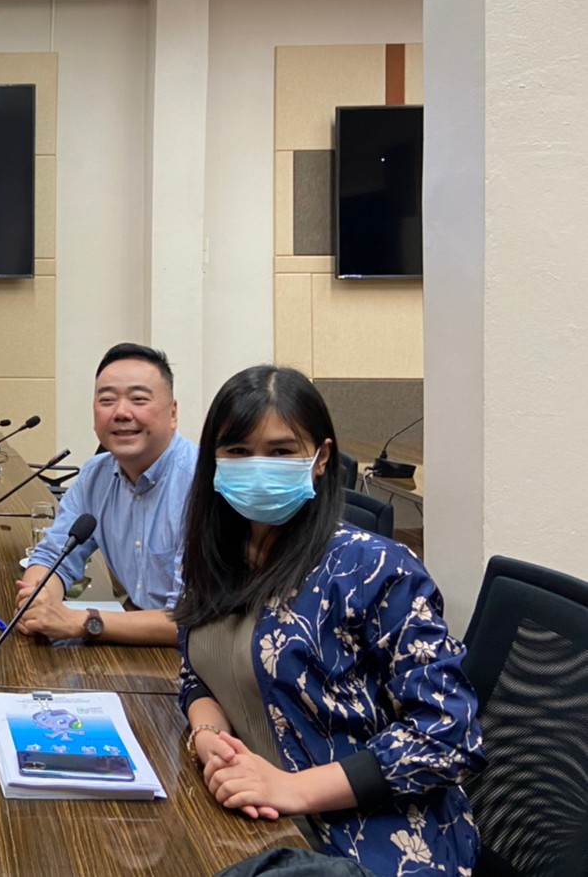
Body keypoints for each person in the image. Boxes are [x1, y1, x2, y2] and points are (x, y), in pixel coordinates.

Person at [175, 365, 484, 875]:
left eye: (280, 451)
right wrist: (208, 736)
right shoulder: (221, 556)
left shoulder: (374, 568)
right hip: (254, 819)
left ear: (320, 459)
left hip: (371, 845)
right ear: (213, 461)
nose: (258, 467)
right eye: (238, 451)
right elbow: (197, 672)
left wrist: (292, 788)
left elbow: (448, 734)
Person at [15, 342, 196, 646]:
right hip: (135, 638)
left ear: (173, 413)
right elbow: (54, 556)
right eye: (107, 400)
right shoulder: (95, 475)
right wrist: (37, 599)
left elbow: (189, 620)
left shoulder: (201, 483)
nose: (121, 412)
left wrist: (82, 621)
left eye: (139, 399)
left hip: (196, 658)